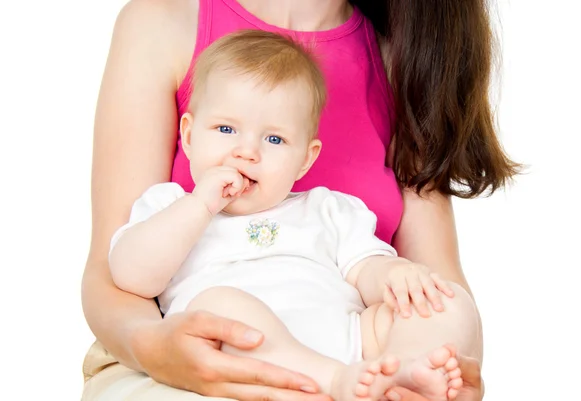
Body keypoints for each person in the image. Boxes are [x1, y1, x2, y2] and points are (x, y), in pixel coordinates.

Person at [82, 0, 516, 400]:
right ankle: (335, 382)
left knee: (444, 301)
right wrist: (198, 207)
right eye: (226, 130)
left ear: (307, 159)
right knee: (219, 306)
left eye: (274, 139)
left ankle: (398, 378)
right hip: (213, 357)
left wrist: (397, 276)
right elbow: (121, 274)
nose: (247, 152)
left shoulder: (327, 207)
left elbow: (380, 265)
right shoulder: (170, 205)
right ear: (188, 134)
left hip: (351, 342)